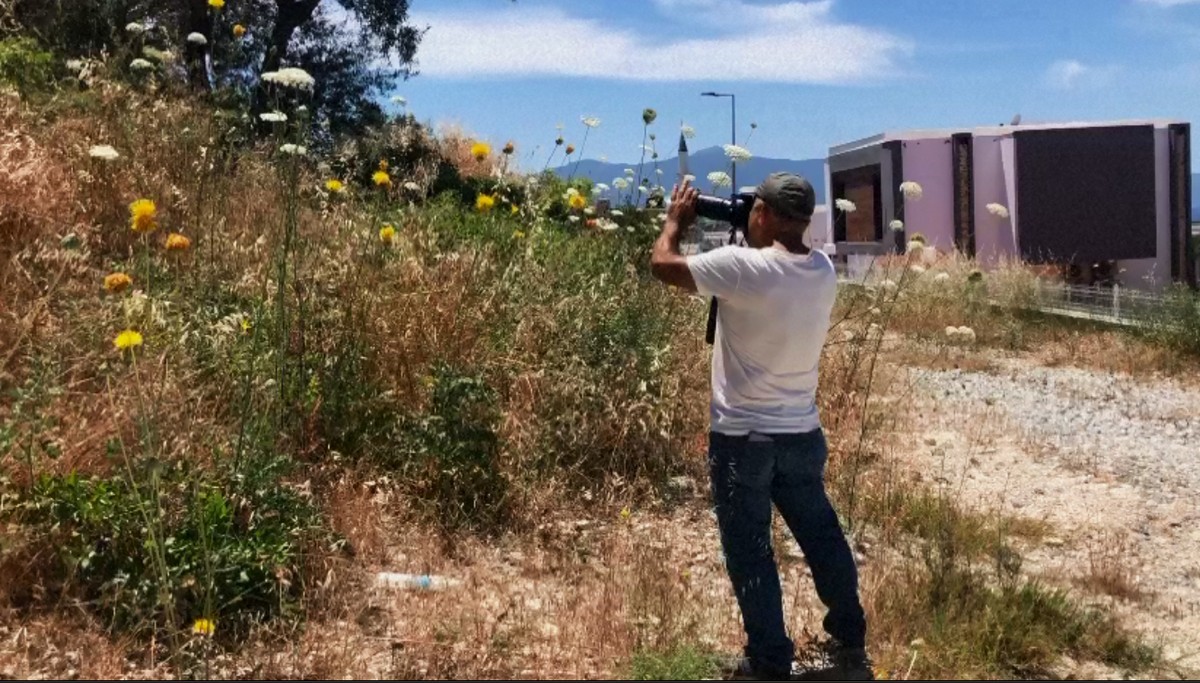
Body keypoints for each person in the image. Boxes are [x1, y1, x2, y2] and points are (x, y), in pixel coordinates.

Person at [649, 174, 872, 681]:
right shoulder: (821, 271)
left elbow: (662, 265)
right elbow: (774, 258)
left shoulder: (740, 268)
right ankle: (850, 637)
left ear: (765, 214)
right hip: (801, 435)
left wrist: (674, 222)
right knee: (822, 537)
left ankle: (770, 659)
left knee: (750, 552)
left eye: (753, 208)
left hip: (742, 439)